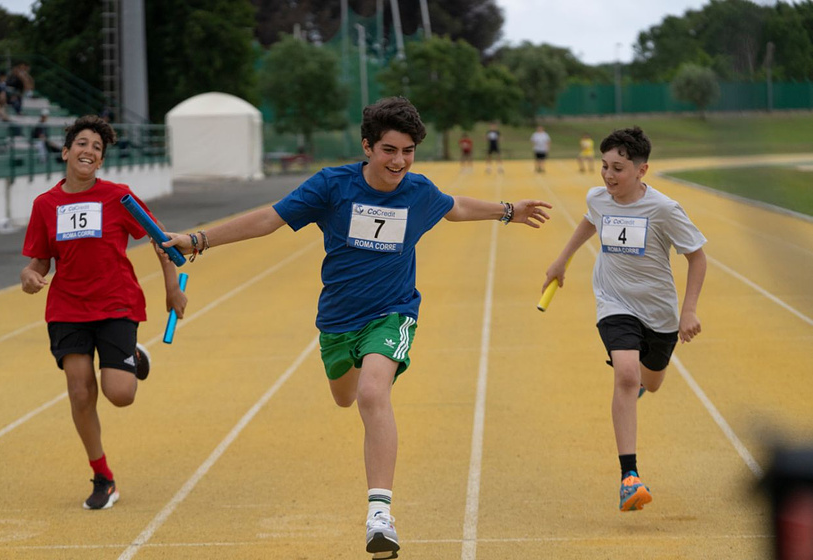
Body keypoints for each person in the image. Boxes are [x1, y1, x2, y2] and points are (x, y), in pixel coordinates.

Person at [161, 97, 552, 558]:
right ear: (367, 146)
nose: (399, 161)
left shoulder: (417, 192)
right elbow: (269, 218)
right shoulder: (332, 186)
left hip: (393, 312)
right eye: (389, 150)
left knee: (371, 393)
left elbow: (454, 207)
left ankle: (379, 515)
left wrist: (509, 211)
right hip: (337, 322)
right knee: (345, 395)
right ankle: (353, 394)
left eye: (408, 151)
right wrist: (200, 240)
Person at [20, 115, 187, 511]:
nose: (89, 150)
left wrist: (171, 290)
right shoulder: (45, 205)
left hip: (116, 303)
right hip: (67, 307)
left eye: (97, 147)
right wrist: (29, 274)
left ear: (101, 161)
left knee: (120, 394)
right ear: (65, 152)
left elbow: (160, 240)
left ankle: (134, 356)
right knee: (80, 393)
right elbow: (40, 261)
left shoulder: (118, 197)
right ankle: (102, 476)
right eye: (82, 143)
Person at [542, 126, 707, 513]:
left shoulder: (664, 209)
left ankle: (640, 382)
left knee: (651, 380)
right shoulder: (599, 198)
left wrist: (689, 310)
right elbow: (590, 220)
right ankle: (629, 477)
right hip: (614, 302)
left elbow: (697, 256)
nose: (608, 175)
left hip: (660, 314)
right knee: (627, 375)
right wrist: (561, 261)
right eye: (604, 166)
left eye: (617, 168)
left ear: (641, 170)